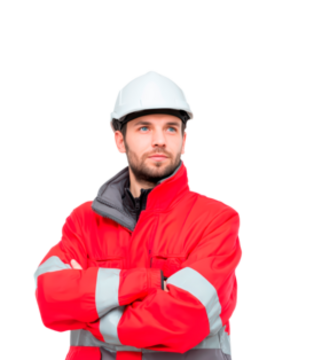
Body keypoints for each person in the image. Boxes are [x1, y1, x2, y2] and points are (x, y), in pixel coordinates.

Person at [30, 69, 240, 359]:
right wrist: (148, 282)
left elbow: (184, 319)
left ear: (184, 140)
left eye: (170, 128)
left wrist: (89, 308)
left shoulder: (216, 220)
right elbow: (49, 298)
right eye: (144, 128)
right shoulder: (83, 220)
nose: (159, 140)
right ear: (119, 140)